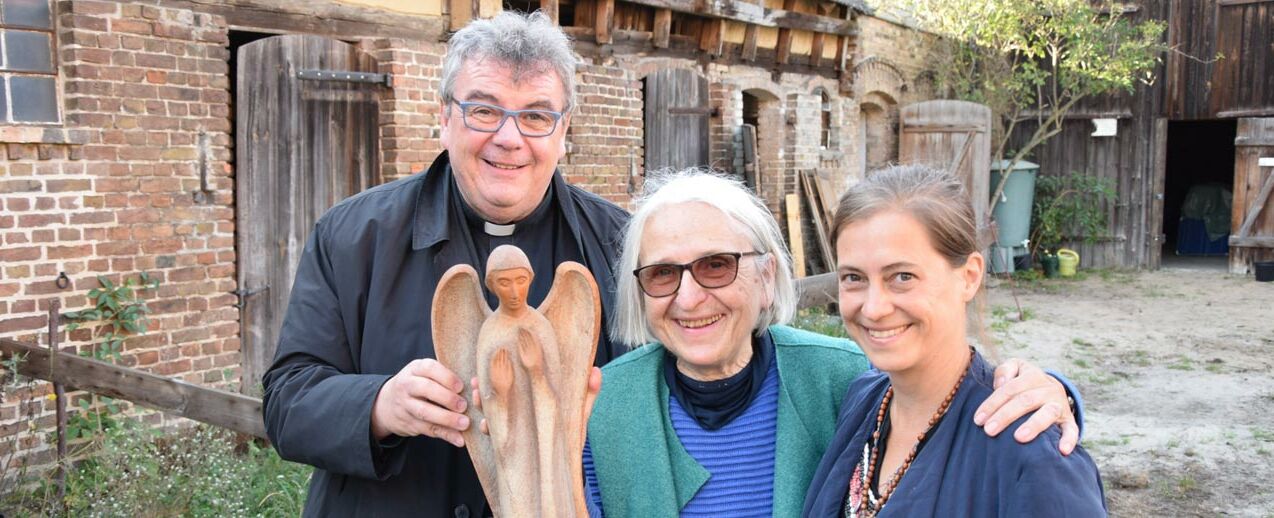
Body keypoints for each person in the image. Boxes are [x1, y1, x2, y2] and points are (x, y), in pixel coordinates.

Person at [261, 12, 629, 517]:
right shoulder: (352, 236)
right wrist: (378, 405)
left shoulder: (621, 246)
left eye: (537, 116)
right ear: (444, 117)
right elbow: (287, 405)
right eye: (483, 110)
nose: (509, 137)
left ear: (563, 131)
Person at [583, 169, 1082, 517]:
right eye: (663, 273)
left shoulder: (839, 379)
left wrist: (1054, 394)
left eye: (717, 265)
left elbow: (952, 396)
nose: (689, 298)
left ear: (765, 276)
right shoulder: (599, 405)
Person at [803, 165, 1105, 517]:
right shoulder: (863, 399)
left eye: (902, 276)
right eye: (854, 277)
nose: (873, 308)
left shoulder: (1031, 455)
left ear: (969, 277)